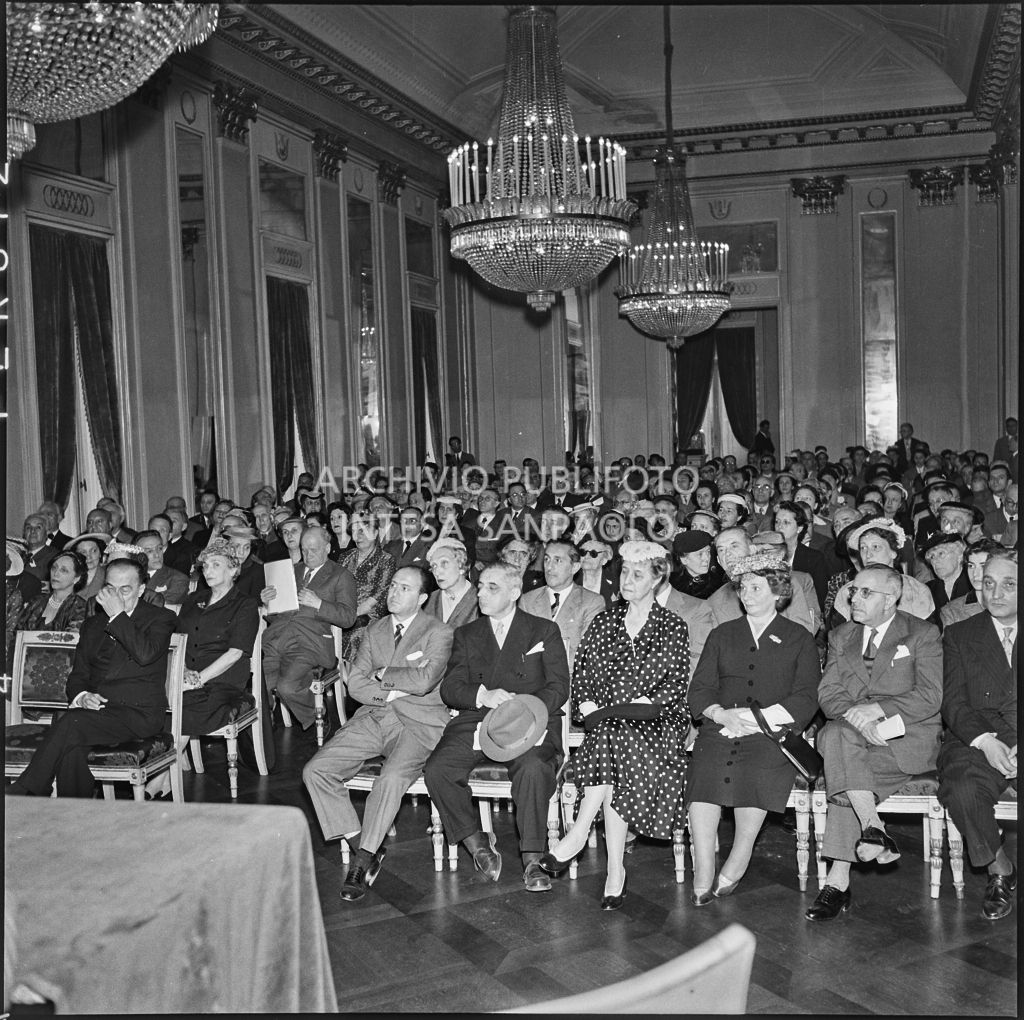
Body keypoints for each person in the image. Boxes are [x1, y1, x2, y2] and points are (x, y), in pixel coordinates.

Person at [539, 541, 691, 908]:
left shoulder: (672, 625)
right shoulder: (604, 621)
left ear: (657, 578)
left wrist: (636, 706)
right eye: (624, 571)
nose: (627, 580)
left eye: (637, 574)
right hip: (609, 722)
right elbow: (584, 676)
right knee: (614, 737)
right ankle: (614, 871)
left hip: (658, 721)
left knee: (613, 735)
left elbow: (674, 683)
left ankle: (578, 836)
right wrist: (590, 704)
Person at [303, 566, 455, 902]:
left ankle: (361, 862)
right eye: (393, 586)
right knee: (315, 771)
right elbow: (356, 684)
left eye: (405, 588)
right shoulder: (375, 630)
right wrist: (391, 691)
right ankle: (364, 844)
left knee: (389, 780)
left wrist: (384, 673)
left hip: (418, 723)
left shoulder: (439, 632)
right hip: (375, 715)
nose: (394, 593)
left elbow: (426, 680)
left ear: (423, 597)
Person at [806, 564, 943, 921]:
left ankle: (838, 881)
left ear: (891, 598)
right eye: (854, 590)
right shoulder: (841, 637)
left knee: (842, 768)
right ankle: (872, 827)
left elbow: (930, 696)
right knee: (836, 736)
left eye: (866, 592)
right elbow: (829, 693)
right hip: (853, 735)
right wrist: (858, 716)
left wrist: (877, 711)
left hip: (904, 738)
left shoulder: (922, 634)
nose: (854, 597)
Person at [424, 563, 569, 892]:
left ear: (515, 593)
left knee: (533, 768)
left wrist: (523, 708)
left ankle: (533, 858)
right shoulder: (466, 634)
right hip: (478, 719)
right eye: (480, 586)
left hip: (530, 720)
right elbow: (451, 688)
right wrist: (482, 694)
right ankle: (477, 845)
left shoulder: (543, 630)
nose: (481, 593)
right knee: (438, 769)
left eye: (492, 587)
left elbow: (559, 686)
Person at [686, 554, 820, 905]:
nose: (746, 594)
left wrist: (758, 721)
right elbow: (699, 689)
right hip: (721, 726)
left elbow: (806, 696)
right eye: (743, 587)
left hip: (771, 734)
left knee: (758, 768)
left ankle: (740, 853)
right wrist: (718, 714)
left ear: (778, 593)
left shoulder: (798, 637)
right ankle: (702, 864)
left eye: (756, 587)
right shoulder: (722, 634)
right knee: (706, 771)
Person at [7, 558, 176, 797]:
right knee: (72, 747)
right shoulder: (92, 624)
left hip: (138, 714)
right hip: (96, 712)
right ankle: (76, 815)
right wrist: (83, 696)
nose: (116, 596)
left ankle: (28, 790)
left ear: (140, 590)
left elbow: (146, 654)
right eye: (110, 589)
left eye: (125, 590)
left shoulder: (160, 618)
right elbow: (78, 675)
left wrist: (118, 616)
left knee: (70, 723)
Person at [937, 549, 1017, 920]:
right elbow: (953, 703)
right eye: (988, 583)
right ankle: (998, 867)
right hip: (976, 736)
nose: (995, 593)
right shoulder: (959, 634)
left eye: (1008, 584)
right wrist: (985, 741)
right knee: (962, 786)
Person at [260, 527, 358, 733]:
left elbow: (349, 618)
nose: (308, 555)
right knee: (260, 688)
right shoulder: (291, 571)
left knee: (287, 687)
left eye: (314, 549)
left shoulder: (341, 575)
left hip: (310, 644)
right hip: (276, 640)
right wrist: (268, 603)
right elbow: (275, 615)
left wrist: (319, 603)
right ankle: (265, 733)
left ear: (328, 548)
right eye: (304, 550)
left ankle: (316, 714)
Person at [518, 540, 604, 668]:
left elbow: (587, 654)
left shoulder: (592, 602)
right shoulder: (527, 600)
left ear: (574, 567)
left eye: (557, 560)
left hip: (569, 680)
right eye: (546, 559)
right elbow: (519, 647)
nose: (549, 567)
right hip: (531, 679)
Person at [831, 518, 934, 624]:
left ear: (893, 552)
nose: (868, 554)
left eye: (875, 547)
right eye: (863, 548)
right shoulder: (847, 592)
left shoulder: (915, 590)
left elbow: (926, 633)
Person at [337, 512, 397, 661]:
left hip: (370, 616)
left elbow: (379, 595)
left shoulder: (386, 559)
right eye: (356, 531)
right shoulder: (345, 557)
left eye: (364, 530)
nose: (359, 535)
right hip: (343, 612)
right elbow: (335, 587)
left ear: (376, 532)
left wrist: (351, 615)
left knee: (357, 634)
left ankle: (355, 679)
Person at [13, 550, 89, 638]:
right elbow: (17, 635)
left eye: (64, 570)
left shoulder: (80, 608)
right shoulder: (36, 601)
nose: (56, 574)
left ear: (77, 578)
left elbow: (71, 643)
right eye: (54, 568)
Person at [424, 538, 478, 627]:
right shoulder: (427, 601)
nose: (437, 572)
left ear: (461, 566)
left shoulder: (480, 600)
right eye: (434, 566)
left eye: (444, 563)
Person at [922, 532, 970, 618]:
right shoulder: (927, 589)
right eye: (932, 557)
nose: (935, 561)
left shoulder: (973, 584)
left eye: (941, 554)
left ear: (959, 555)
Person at [136, 530, 189, 607]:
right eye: (150, 551)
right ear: (137, 555)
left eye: (160, 548)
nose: (157, 555)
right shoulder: (129, 576)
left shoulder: (178, 578)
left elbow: (159, 606)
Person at [21, 514, 56, 583]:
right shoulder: (16, 554)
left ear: (47, 532)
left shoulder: (55, 556)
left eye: (38, 527)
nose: (32, 531)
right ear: (24, 532)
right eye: (28, 527)